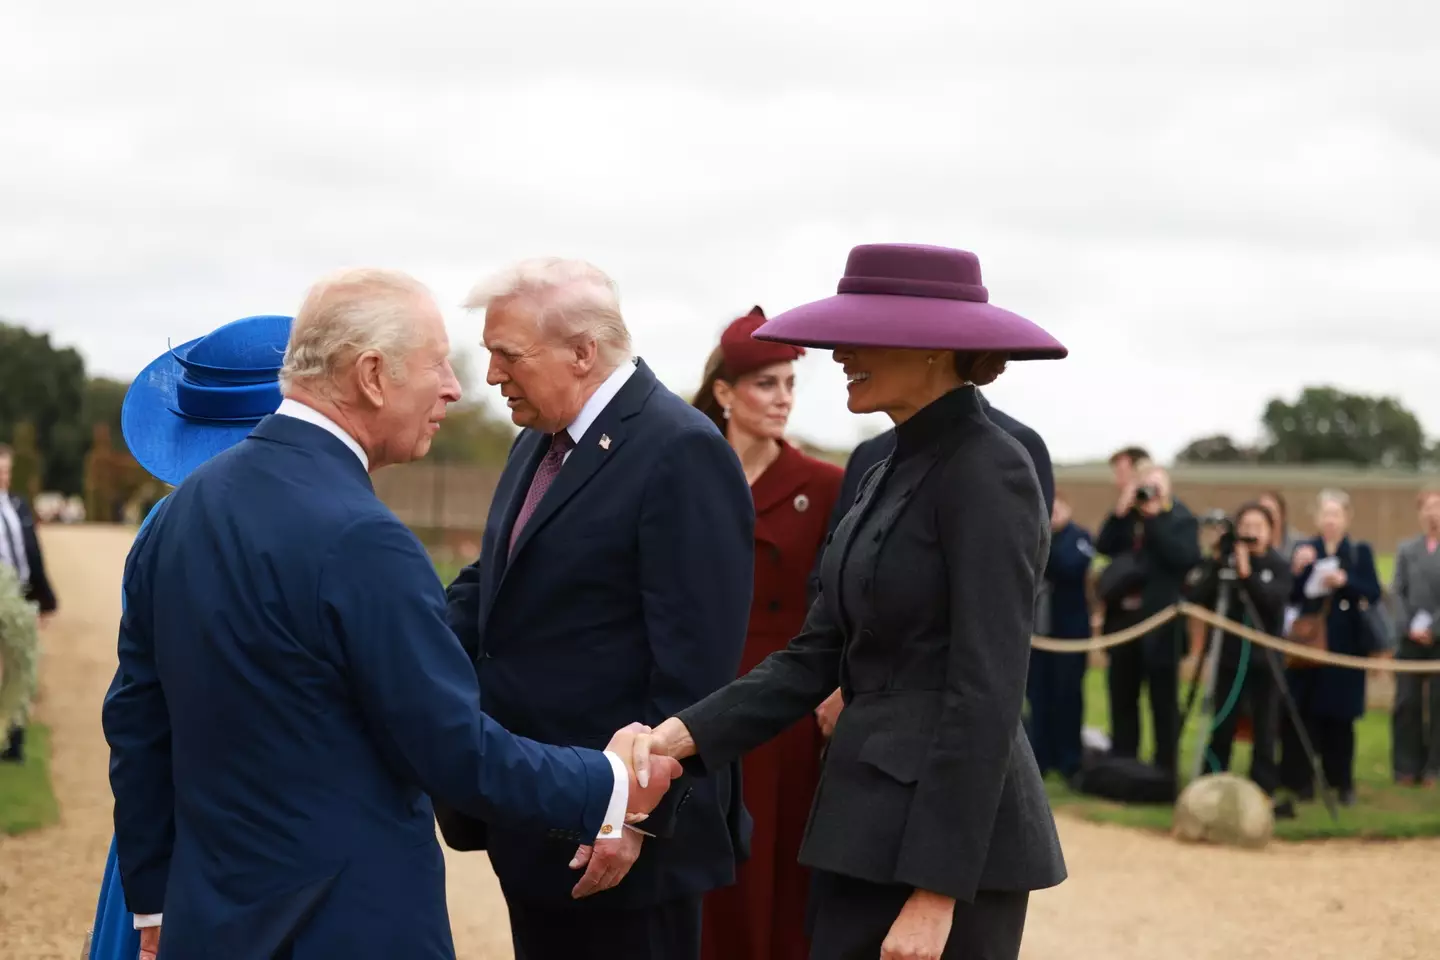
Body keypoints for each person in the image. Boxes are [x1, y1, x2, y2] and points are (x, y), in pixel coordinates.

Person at [100, 270, 682, 960]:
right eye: (437, 362)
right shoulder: (362, 537)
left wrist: (150, 904)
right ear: (373, 375)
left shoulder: (181, 514)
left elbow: (138, 726)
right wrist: (611, 782)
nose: (454, 388)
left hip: (207, 924)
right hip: (348, 925)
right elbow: (452, 748)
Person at [632, 243, 1069, 960]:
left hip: (942, 851)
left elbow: (986, 690)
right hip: (861, 827)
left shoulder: (990, 469)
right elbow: (818, 654)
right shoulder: (888, 465)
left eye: (860, 335)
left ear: (935, 350)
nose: (838, 354)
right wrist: (674, 739)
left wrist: (934, 895)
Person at [441, 259, 753, 960]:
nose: (491, 375)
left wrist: (635, 815)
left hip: (618, 846)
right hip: (539, 819)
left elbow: (697, 669)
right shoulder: (539, 440)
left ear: (583, 351)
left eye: (507, 354)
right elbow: (494, 582)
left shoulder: (681, 450)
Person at [85, 314, 295, 960]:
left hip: (163, 824)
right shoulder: (296, 530)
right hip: (234, 836)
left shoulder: (159, 523)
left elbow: (136, 707)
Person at [689, 306, 844, 960]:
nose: (783, 399)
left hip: (785, 705)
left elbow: (840, 604)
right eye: (766, 384)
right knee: (697, 868)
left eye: (790, 384)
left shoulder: (825, 483)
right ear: (724, 392)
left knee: (778, 873)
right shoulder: (683, 476)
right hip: (691, 694)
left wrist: (837, 691)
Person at [1095, 462, 1200, 775]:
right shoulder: (1129, 517)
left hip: (1161, 623)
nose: (1149, 491)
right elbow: (1103, 546)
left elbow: (1184, 558)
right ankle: (1125, 763)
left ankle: (1164, 768)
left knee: (1163, 700)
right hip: (1123, 623)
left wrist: (1156, 519)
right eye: (1145, 485)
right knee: (1122, 695)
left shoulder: (1180, 518)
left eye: (1157, 485)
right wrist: (1120, 512)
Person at [1280, 488, 1381, 807]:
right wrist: (1297, 570)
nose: (1330, 521)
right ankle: (1303, 781)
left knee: (1341, 719)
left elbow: (1373, 591)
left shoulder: (1359, 553)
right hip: (1309, 644)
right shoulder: (1306, 548)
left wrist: (1344, 582)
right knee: (1305, 713)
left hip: (1346, 645)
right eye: (1325, 514)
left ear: (1347, 518)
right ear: (1317, 517)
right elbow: (1291, 596)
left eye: (1336, 514)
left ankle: (1342, 783)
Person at [1186, 501, 1292, 796]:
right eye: (1245, 527)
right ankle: (1212, 785)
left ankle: (1262, 790)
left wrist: (1247, 574)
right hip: (1228, 658)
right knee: (1222, 724)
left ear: (1271, 533)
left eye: (1258, 528)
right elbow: (1196, 595)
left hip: (1265, 661)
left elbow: (1272, 605)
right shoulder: (1224, 563)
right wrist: (1216, 560)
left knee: (1265, 729)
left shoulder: (1278, 566)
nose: (1251, 533)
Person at [1026, 491, 1094, 780]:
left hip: (1069, 634)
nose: (1053, 511)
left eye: (1058, 505)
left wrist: (1043, 545)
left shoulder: (1081, 537)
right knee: (1037, 697)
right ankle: (1039, 759)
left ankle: (1069, 760)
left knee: (1068, 696)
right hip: (1036, 634)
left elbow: (1071, 566)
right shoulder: (1028, 536)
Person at [0, 442, 58, 763]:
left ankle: (14, 739)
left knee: (23, 668)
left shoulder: (17, 506)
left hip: (19, 594)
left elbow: (32, 554)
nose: (4, 477)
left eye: (7, 471)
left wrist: (44, 599)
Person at [1391, 489, 1440, 786]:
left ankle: (1435, 767)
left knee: (1439, 703)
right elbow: (1396, 590)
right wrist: (1408, 626)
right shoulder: (1406, 550)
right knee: (1407, 702)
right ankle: (1406, 767)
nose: (1433, 513)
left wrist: (1433, 629)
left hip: (1438, 641)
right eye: (1428, 508)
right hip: (1410, 639)